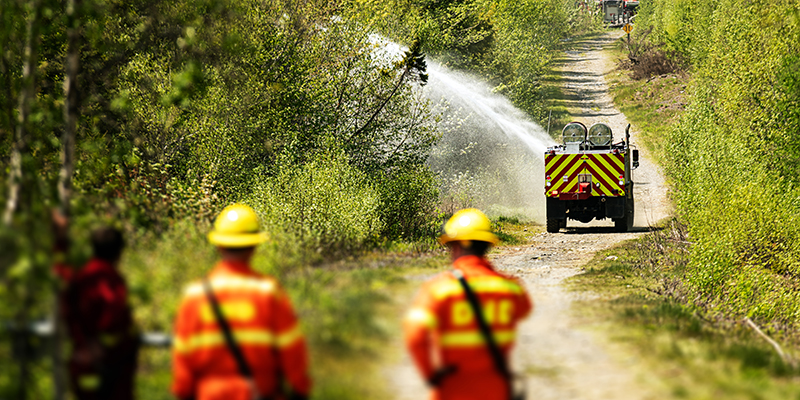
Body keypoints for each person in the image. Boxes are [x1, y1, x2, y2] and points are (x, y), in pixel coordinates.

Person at [171, 204, 311, 400]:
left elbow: (183, 359)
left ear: (219, 246)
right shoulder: (268, 293)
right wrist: (300, 389)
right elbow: (292, 350)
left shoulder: (195, 296)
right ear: (254, 247)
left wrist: (183, 391)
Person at [404, 208, 533, 400]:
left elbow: (415, 337)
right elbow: (524, 309)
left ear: (457, 247)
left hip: (452, 391)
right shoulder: (511, 289)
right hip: (496, 390)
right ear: (486, 246)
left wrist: (432, 376)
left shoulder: (437, 290)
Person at [53, 214, 140, 400]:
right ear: (119, 252)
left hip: (81, 365)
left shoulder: (80, 277)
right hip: (108, 369)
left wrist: (60, 239)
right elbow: (113, 320)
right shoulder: (109, 281)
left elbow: (59, 273)